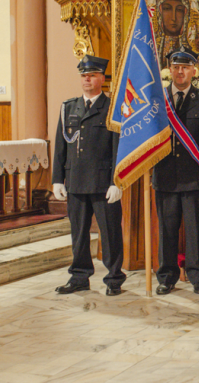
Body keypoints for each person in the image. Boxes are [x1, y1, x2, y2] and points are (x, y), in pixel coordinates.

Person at [51, 55, 125, 296]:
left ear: (102, 78)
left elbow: (118, 147)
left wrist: (117, 181)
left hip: (104, 183)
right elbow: (61, 147)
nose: (87, 79)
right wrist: (56, 179)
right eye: (84, 75)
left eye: (92, 75)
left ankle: (114, 279)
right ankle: (80, 277)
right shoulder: (68, 107)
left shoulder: (113, 107)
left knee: (111, 233)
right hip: (76, 182)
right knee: (79, 234)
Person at [153, 47, 199, 295]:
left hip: (195, 177)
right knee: (167, 231)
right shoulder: (157, 101)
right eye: (176, 67)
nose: (180, 71)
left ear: (194, 70)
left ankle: (198, 276)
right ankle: (166, 277)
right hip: (165, 175)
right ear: (170, 70)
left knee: (195, 231)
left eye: (185, 67)